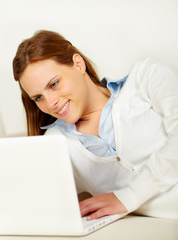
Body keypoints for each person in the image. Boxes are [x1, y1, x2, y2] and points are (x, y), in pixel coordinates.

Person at [12, 30, 178, 220]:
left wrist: (129, 196)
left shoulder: (146, 77)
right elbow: (40, 201)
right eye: (38, 98)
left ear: (78, 64)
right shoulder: (58, 143)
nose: (50, 103)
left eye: (54, 84)